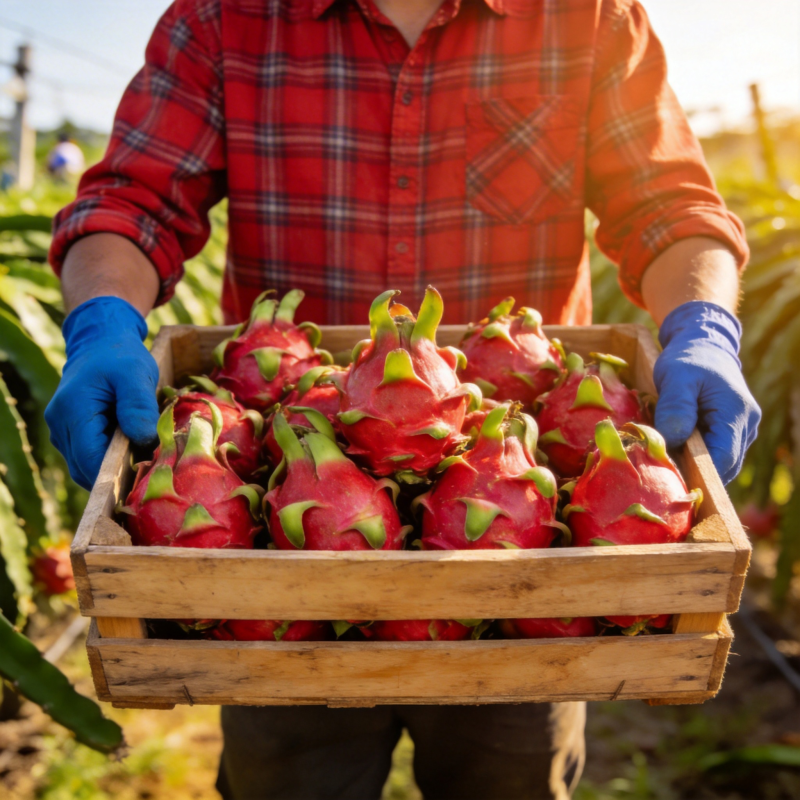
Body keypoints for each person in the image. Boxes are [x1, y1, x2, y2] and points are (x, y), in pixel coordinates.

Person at [45, 1, 761, 797]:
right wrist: (103, 321)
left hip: (529, 579)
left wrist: (704, 323)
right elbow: (132, 202)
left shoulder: (588, 15)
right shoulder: (223, 17)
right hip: (281, 572)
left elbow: (668, 205)